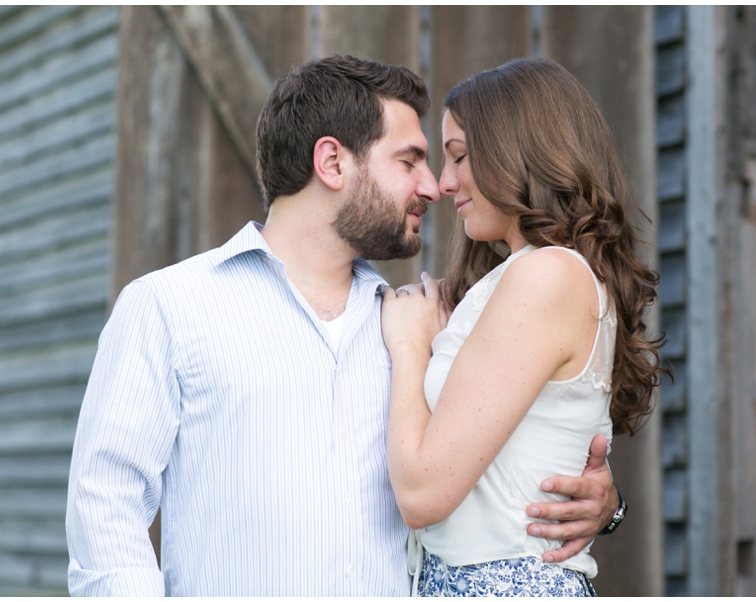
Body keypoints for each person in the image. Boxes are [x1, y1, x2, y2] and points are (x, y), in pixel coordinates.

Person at [66, 55, 621, 597]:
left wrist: (604, 503)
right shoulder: (168, 307)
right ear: (331, 163)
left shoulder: (425, 323)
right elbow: (105, 505)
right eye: (409, 162)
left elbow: (524, 443)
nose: (433, 186)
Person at [381, 57, 668, 597]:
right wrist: (610, 508)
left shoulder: (548, 274)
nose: (443, 184)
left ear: (520, 152)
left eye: (459, 157)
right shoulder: (517, 278)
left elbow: (422, 495)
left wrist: (408, 347)